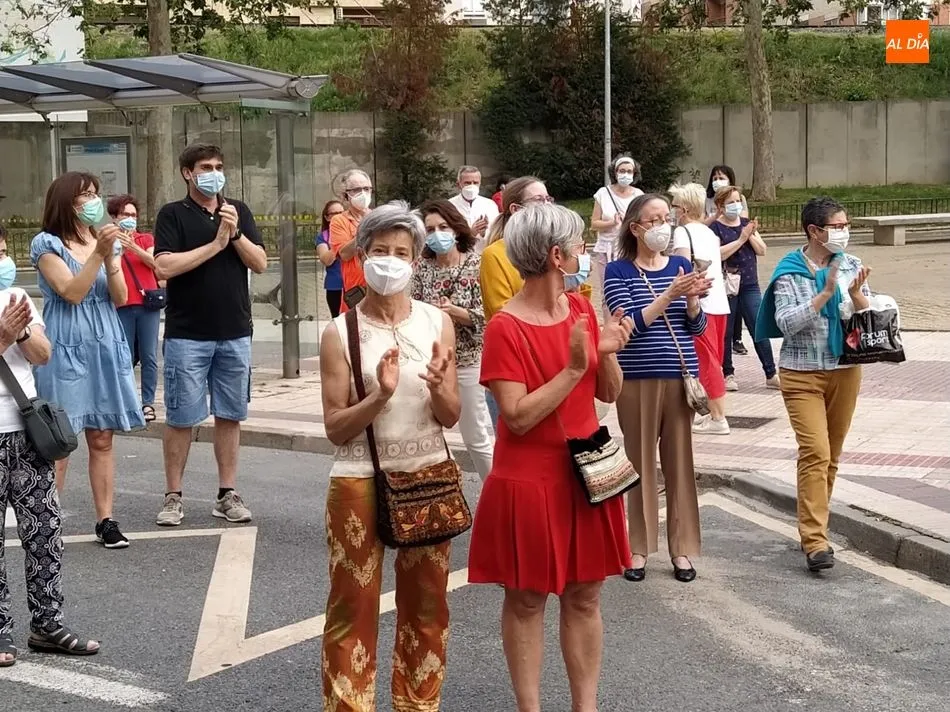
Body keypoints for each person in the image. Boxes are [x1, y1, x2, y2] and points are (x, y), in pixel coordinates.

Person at [468, 203, 632, 712]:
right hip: (528, 479)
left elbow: (608, 393)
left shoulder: (582, 309)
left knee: (585, 595)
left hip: (587, 473)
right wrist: (574, 367)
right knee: (527, 598)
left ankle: (586, 706)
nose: (585, 252)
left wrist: (608, 352)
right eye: (579, 245)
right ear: (557, 256)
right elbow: (517, 416)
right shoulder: (505, 327)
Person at [319, 201, 460, 711]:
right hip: (359, 480)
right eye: (380, 250)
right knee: (352, 609)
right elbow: (336, 428)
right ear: (362, 255)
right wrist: (379, 395)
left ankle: (419, 705)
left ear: (416, 260)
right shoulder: (340, 332)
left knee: (428, 607)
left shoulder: (438, 323)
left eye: (402, 252)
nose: (391, 261)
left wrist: (440, 387)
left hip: (428, 475)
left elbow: (450, 416)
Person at [153, 143, 267, 527]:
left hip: (234, 331)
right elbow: (164, 267)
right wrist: (215, 244)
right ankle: (173, 496)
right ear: (188, 173)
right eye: (206, 167)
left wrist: (234, 236)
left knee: (230, 415)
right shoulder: (173, 214)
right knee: (181, 417)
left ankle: (227, 493)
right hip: (188, 334)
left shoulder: (237, 211)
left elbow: (260, 262)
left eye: (219, 166)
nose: (214, 173)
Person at [30, 172, 144, 549]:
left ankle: (106, 519)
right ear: (66, 202)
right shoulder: (47, 244)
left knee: (102, 435)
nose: (93, 201)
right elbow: (71, 292)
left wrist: (111, 258)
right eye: (85, 195)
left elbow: (120, 295)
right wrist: (98, 254)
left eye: (95, 193)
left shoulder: (100, 240)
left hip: (104, 342)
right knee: (59, 439)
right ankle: (48, 519)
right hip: (66, 344)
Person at [757, 197, 870, 573]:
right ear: (814, 231)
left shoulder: (850, 264)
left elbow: (867, 316)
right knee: (815, 452)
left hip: (845, 369)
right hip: (801, 373)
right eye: (837, 226)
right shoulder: (790, 271)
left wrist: (857, 298)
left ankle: (816, 525)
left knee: (831, 455)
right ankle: (815, 541)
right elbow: (786, 323)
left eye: (846, 225)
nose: (844, 232)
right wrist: (823, 295)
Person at [604, 194, 712, 583]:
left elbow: (696, 327)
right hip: (636, 378)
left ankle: (681, 549)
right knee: (639, 463)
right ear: (635, 228)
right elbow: (628, 326)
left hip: (680, 376)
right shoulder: (617, 271)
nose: (663, 226)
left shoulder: (681, 266)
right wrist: (671, 294)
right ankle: (638, 547)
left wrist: (693, 301)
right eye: (654, 220)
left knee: (680, 464)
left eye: (667, 218)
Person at [0, 290, 100, 665]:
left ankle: (47, 625)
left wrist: (23, 332)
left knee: (45, 532)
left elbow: (43, 355)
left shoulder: (14, 297)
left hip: (28, 433)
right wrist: (3, 337)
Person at [412, 200, 495, 479]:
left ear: (456, 229)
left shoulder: (477, 264)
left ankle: (494, 493)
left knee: (475, 434)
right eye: (430, 229)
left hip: (469, 360)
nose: (437, 234)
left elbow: (489, 317)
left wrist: (457, 313)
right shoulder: (422, 268)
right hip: (430, 363)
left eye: (443, 227)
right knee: (425, 430)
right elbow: (412, 309)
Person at [670, 182, 732, 435]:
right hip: (719, 304)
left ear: (683, 209)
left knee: (705, 362)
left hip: (700, 304)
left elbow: (682, 267)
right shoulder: (709, 233)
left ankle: (718, 417)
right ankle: (712, 413)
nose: (672, 211)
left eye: (674, 206)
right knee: (713, 359)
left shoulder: (682, 233)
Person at [710, 186, 779, 392]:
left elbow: (762, 250)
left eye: (738, 201)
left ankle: (771, 373)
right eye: (730, 202)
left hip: (750, 284)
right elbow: (718, 254)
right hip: (727, 285)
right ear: (721, 206)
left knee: (758, 325)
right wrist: (740, 239)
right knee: (727, 330)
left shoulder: (746, 224)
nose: (736, 205)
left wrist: (749, 234)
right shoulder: (715, 227)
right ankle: (727, 374)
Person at [108, 194, 161, 424]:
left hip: (147, 304)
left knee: (149, 356)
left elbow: (155, 263)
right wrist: (118, 247)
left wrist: (133, 247)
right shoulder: (108, 241)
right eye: (125, 214)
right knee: (125, 356)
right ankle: (128, 402)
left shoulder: (145, 238)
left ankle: (148, 402)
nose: (130, 218)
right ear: (114, 217)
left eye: (133, 215)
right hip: (122, 305)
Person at [704, 165, 750, 354]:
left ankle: (737, 339)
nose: (718, 181)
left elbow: (742, 220)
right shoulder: (707, 200)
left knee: (739, 306)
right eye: (715, 178)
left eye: (722, 177)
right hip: (720, 259)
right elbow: (701, 222)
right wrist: (716, 217)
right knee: (727, 303)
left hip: (741, 259)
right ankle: (725, 353)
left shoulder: (740, 200)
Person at [590, 156, 643, 313]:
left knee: (632, 289)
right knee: (607, 292)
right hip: (606, 249)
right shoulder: (603, 193)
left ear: (634, 174)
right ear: (615, 172)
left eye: (629, 171)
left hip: (630, 248)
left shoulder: (638, 195)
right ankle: (609, 324)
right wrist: (612, 223)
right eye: (622, 171)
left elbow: (642, 222)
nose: (625, 174)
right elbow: (594, 224)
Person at [329, 169, 373, 313]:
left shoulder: (379, 217)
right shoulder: (339, 220)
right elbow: (344, 254)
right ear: (345, 195)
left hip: (380, 291)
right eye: (356, 190)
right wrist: (365, 228)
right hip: (356, 292)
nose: (363, 193)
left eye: (366, 189)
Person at [449, 165, 500, 244]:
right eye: (467, 183)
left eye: (475, 183)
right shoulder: (450, 206)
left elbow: (497, 234)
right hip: (460, 251)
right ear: (458, 184)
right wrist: (470, 233)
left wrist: (484, 233)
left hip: (484, 250)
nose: (472, 186)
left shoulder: (490, 205)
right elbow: (446, 236)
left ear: (480, 184)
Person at [315, 199, 346, 319]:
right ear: (327, 217)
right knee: (338, 320)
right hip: (335, 286)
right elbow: (326, 260)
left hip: (355, 284)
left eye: (341, 213)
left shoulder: (351, 231)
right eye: (335, 214)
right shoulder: (323, 236)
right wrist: (336, 243)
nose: (339, 216)